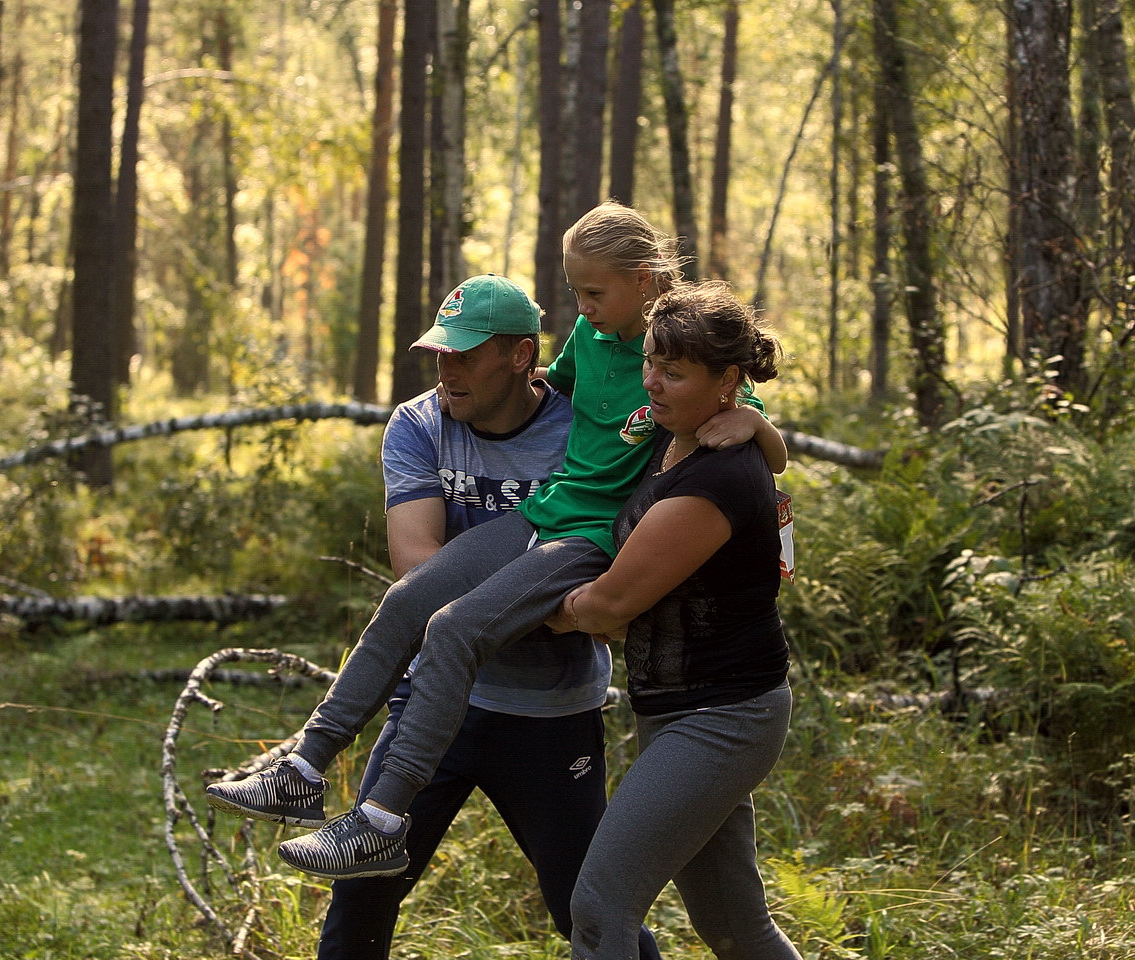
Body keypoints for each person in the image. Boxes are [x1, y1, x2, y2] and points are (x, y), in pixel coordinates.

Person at [207, 202, 787, 882]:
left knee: (453, 630)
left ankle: (382, 822)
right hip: (545, 512)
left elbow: (739, 418)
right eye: (575, 291)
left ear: (644, 279)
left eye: (594, 292)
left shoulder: (673, 355)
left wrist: (759, 427)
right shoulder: (590, 337)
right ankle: (303, 770)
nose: (582, 306)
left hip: (591, 537)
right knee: (408, 601)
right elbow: (556, 384)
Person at [318, 273, 662, 960]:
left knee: (586, 912)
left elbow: (617, 582)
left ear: (519, 355)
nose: (447, 371)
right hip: (431, 703)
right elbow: (417, 571)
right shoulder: (419, 424)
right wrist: (551, 607)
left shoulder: (586, 428)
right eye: (439, 354)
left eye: (466, 355)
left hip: (552, 711)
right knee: (361, 898)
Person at [554, 281, 800, 960]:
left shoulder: (719, 479)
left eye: (674, 372)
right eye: (650, 363)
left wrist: (527, 611)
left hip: (723, 716)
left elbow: (610, 606)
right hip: (676, 708)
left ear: (728, 382)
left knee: (599, 908)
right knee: (733, 928)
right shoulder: (672, 436)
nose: (652, 383)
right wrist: (758, 424)